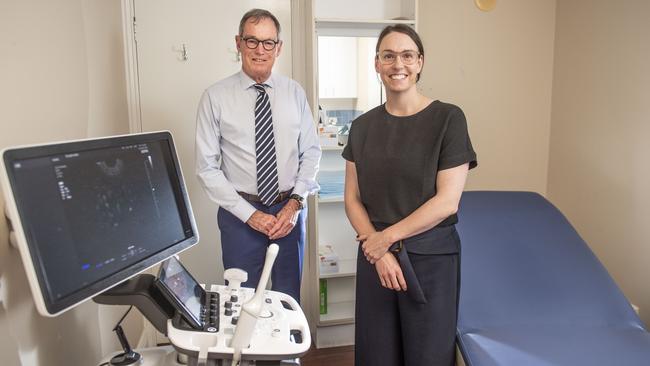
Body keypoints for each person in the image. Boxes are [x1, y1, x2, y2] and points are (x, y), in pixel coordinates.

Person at [343, 24, 477, 366]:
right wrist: (379, 251)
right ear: (377, 64)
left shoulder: (448, 119)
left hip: (429, 259)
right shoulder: (362, 128)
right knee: (377, 355)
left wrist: (384, 240)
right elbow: (353, 198)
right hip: (376, 258)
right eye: (388, 56)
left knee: (427, 356)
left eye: (406, 55)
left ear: (420, 62)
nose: (397, 64)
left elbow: (447, 201)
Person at [195, 8, 321, 302]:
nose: (260, 50)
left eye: (268, 43)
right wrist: (251, 216)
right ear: (238, 43)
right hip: (240, 215)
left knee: (288, 298)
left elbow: (312, 152)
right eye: (252, 41)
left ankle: (288, 351)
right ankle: (246, 350)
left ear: (279, 48)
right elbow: (207, 168)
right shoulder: (215, 97)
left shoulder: (295, 93)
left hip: (289, 212)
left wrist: (294, 204)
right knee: (241, 300)